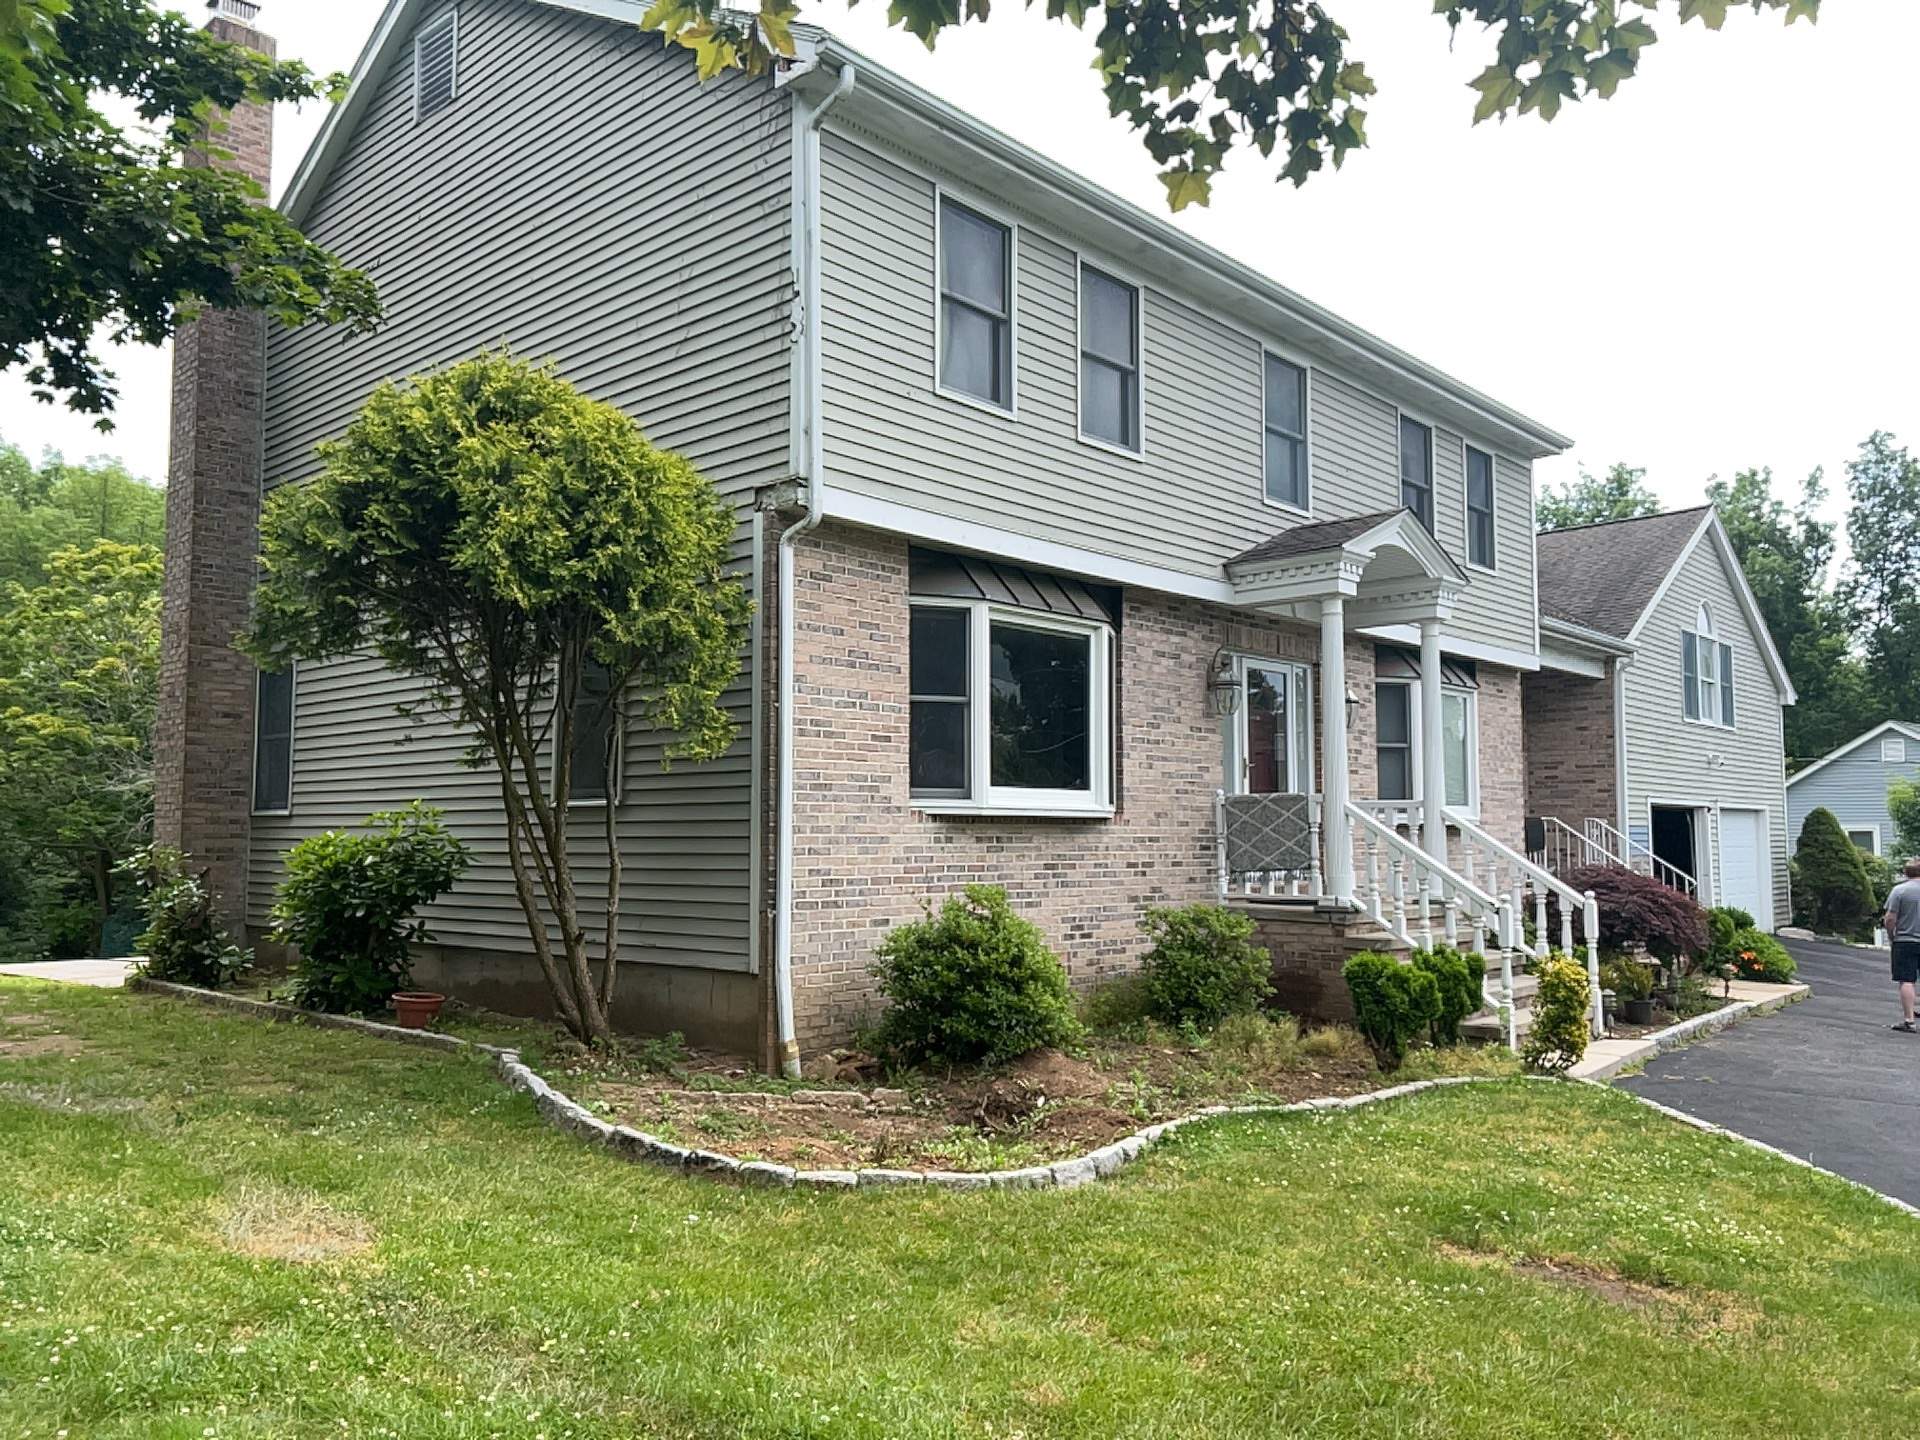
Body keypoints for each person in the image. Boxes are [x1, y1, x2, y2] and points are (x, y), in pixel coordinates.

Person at [1886, 858, 1920, 1033]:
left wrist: (1892, 936)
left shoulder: (1899, 891)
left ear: (1906, 873)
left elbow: (1890, 918)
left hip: (1906, 940)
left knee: (1907, 980)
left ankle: (1909, 1020)